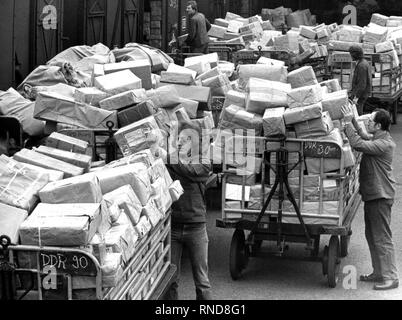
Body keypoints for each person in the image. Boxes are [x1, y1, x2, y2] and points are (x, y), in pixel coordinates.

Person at [341, 105, 399, 290]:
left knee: (381, 237)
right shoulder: (379, 138)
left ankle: (391, 276)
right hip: (374, 194)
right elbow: (365, 136)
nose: (368, 122)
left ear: (379, 126)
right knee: (372, 235)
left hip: (380, 196)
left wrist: (347, 124)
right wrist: (352, 120)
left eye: (371, 121)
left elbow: (359, 144)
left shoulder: (384, 144)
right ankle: (379, 272)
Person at [166, 121, 212, 300]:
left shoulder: (203, 163)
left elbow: (191, 172)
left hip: (196, 228)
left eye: (184, 139)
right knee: (170, 280)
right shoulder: (171, 161)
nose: (179, 142)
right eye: (178, 138)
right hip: (173, 227)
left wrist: (168, 157)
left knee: (202, 281)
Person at [348, 45, 372, 116]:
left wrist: (356, 97)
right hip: (362, 93)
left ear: (354, 54)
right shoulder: (362, 63)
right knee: (357, 111)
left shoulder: (361, 66)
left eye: (350, 54)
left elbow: (362, 84)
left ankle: (360, 125)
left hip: (361, 94)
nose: (350, 56)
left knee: (358, 112)